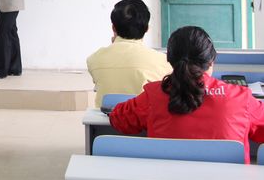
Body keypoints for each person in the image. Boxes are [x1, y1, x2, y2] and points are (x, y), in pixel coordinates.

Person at [110, 26, 264, 162]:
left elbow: (118, 119)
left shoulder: (153, 95)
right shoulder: (240, 98)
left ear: (170, 60)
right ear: (211, 60)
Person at [86, 0, 171, 107]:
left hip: (105, 117)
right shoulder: (162, 61)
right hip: (141, 117)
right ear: (147, 28)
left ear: (113, 28)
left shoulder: (94, 59)